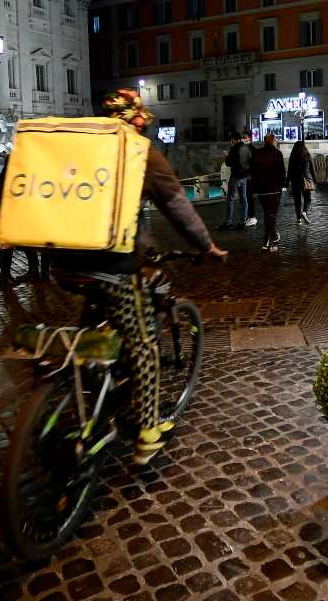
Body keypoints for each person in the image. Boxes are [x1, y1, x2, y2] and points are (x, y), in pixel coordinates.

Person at [49, 89, 227, 465]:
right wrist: (206, 245)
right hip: (112, 268)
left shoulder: (80, 149)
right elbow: (177, 205)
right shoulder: (140, 154)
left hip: (62, 262)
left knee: (95, 328)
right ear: (140, 123)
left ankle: (92, 373)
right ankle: (147, 432)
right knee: (144, 344)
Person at [0, 155, 47, 286]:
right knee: (8, 245)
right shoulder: (12, 178)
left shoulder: (8, 176)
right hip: (6, 216)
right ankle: (5, 277)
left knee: (22, 241)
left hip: (6, 215)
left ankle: (28, 272)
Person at [249, 133, 287, 251]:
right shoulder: (277, 153)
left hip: (261, 190)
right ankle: (267, 242)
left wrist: (254, 188)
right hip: (274, 189)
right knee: (271, 215)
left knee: (268, 214)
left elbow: (253, 171)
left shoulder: (258, 153)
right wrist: (283, 185)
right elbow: (282, 171)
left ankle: (274, 236)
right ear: (273, 141)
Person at [219, 132, 250, 229]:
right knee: (243, 198)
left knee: (230, 198)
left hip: (235, 176)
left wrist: (226, 157)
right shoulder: (246, 148)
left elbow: (228, 163)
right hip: (244, 176)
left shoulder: (234, 148)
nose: (231, 142)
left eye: (231, 140)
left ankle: (229, 222)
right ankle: (243, 221)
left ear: (234, 139)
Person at [288, 139, 318, 225]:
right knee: (307, 198)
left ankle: (298, 219)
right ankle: (304, 212)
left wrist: (286, 182)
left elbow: (290, 170)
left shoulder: (293, 156)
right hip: (307, 180)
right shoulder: (307, 155)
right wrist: (315, 180)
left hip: (295, 180)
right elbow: (312, 169)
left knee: (297, 200)